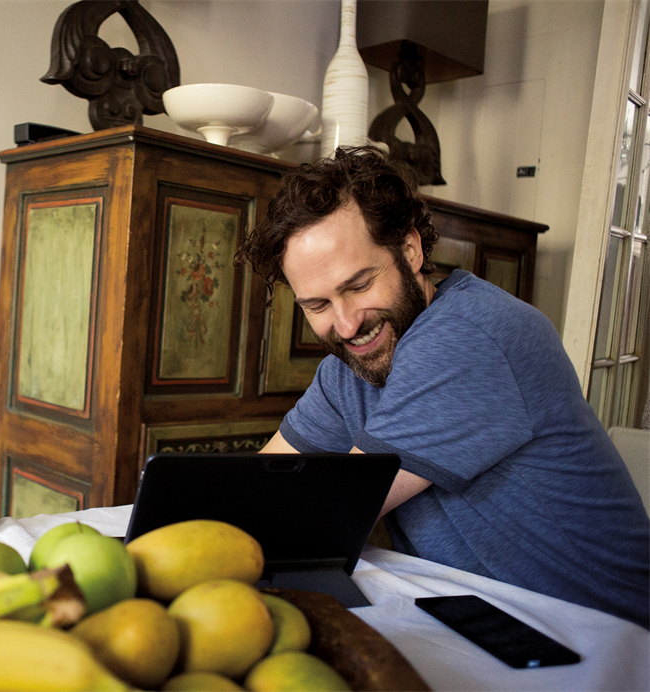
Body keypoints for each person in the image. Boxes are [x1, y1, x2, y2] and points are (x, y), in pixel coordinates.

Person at [237, 146, 650, 628]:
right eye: (317, 305)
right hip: (487, 620)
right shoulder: (347, 371)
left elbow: (320, 522)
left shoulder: (471, 333)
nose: (346, 325)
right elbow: (254, 492)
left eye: (359, 285)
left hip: (605, 639)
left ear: (410, 251)